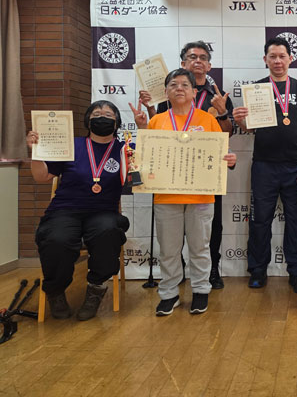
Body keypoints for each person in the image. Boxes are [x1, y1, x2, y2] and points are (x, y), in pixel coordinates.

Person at [131, 69, 236, 316]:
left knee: (200, 248)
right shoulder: (157, 121)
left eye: (185, 85)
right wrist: (142, 129)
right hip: (166, 196)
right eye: (174, 85)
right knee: (169, 250)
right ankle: (169, 294)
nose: (179, 88)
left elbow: (219, 153)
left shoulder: (207, 120)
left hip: (201, 196)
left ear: (194, 92)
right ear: (165, 92)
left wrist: (229, 159)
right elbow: (147, 159)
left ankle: (200, 290)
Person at [233, 37, 297, 292]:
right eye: (272, 56)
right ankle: (258, 270)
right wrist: (240, 121)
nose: (277, 61)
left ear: (290, 58)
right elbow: (250, 128)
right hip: (264, 165)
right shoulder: (256, 89)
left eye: (282, 56)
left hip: (296, 165)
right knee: (260, 220)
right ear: (265, 59)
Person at [26, 101, 129, 321]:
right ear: (88, 121)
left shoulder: (124, 150)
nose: (102, 117)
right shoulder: (70, 145)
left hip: (103, 211)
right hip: (65, 209)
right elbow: (41, 176)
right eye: (97, 114)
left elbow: (143, 173)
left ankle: (96, 289)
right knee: (57, 238)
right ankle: (55, 291)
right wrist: (36, 151)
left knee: (108, 232)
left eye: (108, 114)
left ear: (117, 122)